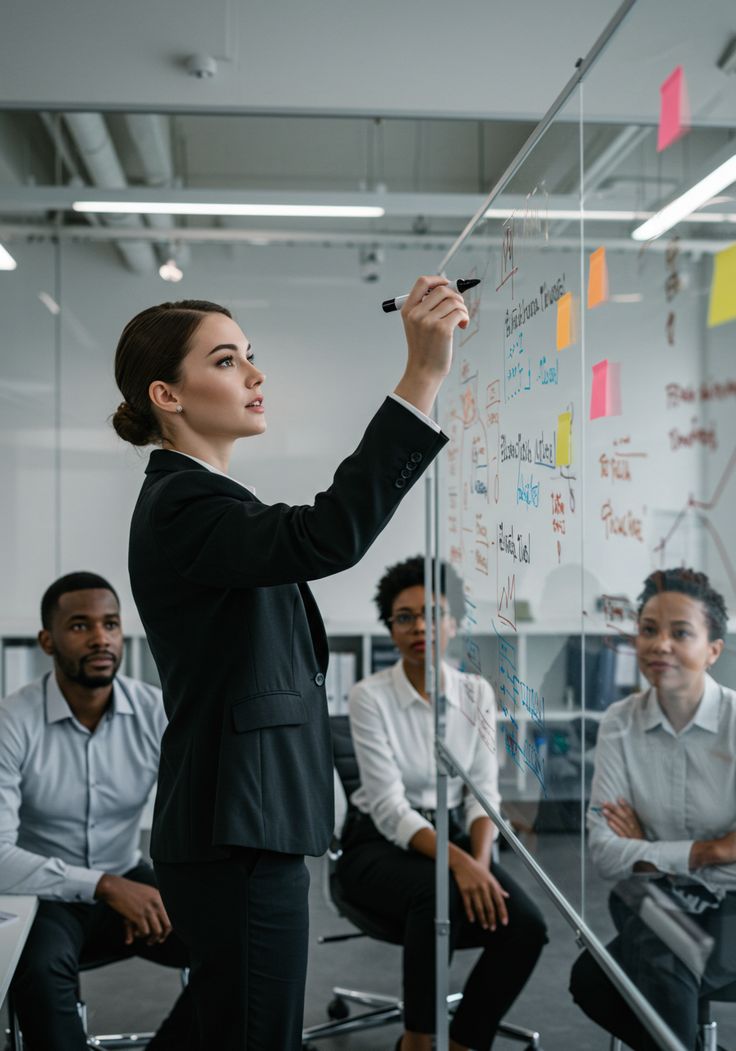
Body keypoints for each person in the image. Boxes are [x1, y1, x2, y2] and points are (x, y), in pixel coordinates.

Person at [111, 278, 469, 1050]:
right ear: (167, 394)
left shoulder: (201, 498)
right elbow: (327, 536)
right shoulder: (184, 504)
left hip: (241, 822)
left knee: (220, 1023)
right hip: (238, 828)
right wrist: (421, 377)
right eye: (229, 359)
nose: (255, 374)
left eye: (251, 356)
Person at [336, 555, 548, 1051]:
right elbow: (388, 806)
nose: (419, 628)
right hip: (376, 844)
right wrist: (462, 867)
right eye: (404, 617)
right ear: (389, 627)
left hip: (451, 836)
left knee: (528, 927)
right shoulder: (369, 697)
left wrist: (479, 863)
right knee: (440, 895)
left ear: (454, 621)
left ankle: (466, 1042)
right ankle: (417, 1039)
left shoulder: (476, 694)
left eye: (433, 614)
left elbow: (482, 793)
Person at [0, 572, 192, 1051]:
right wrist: (106, 888)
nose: (101, 637)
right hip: (42, 890)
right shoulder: (12, 722)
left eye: (110, 623)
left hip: (127, 871)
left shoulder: (156, 711)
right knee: (41, 971)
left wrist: (151, 885)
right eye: (81, 626)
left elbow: (196, 813)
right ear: (48, 640)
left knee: (235, 944)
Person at [569, 567, 736, 1051]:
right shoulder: (621, 723)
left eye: (680, 633)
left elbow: (627, 856)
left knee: (618, 972)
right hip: (665, 900)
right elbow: (604, 852)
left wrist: (648, 846)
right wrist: (708, 851)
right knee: (633, 956)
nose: (659, 644)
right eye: (648, 630)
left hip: (731, 905)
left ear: (713, 650)